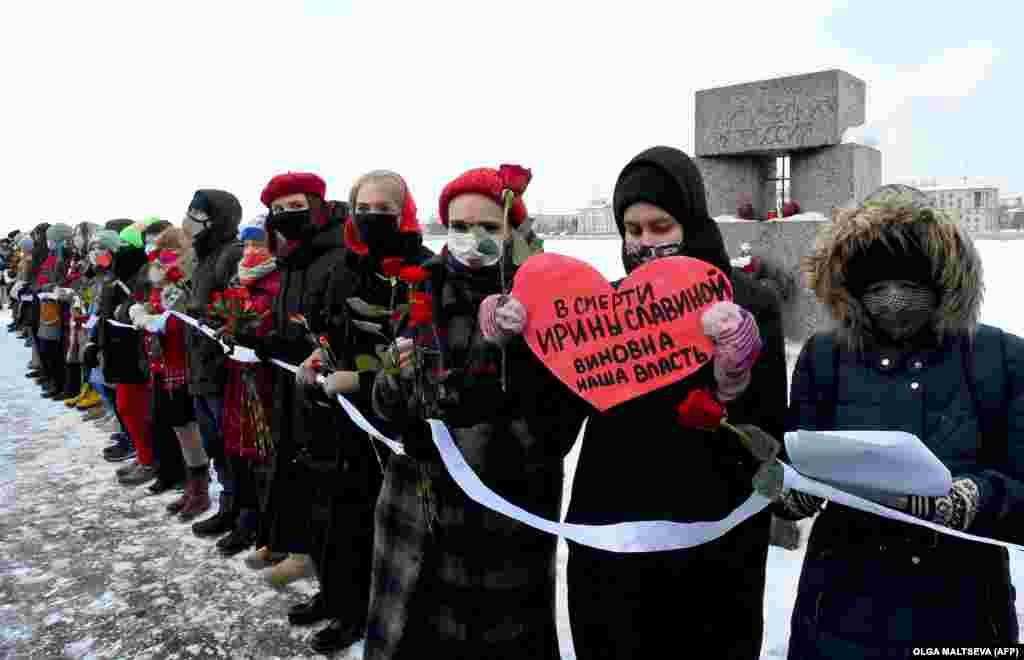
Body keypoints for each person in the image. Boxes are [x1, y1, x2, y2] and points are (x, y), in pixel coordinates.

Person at [769, 188, 1024, 655]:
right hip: (839, 617)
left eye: (909, 284)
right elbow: (793, 463)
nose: (894, 302)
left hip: (964, 617)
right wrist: (792, 492)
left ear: (944, 281)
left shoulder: (1000, 357)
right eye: (876, 286)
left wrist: (973, 497)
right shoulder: (824, 357)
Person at [561, 146, 788, 659]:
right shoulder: (607, 307)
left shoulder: (749, 303)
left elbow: (770, 436)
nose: (645, 243)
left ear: (690, 220)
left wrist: (734, 389)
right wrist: (523, 347)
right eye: (632, 230)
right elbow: (559, 423)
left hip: (712, 547)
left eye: (660, 226)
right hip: (613, 539)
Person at [365, 165, 585, 660]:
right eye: (460, 226)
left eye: (489, 227)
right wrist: (395, 379)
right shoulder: (423, 289)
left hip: (502, 514)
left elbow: (558, 429)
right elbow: (385, 407)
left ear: (514, 231)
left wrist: (513, 358)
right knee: (413, 638)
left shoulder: (545, 300)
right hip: (415, 509)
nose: (472, 239)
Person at [180, 189, 244, 538]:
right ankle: (228, 506)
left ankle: (243, 515)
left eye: (196, 213)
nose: (188, 219)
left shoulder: (230, 254)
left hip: (223, 372)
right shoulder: (204, 257)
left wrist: (207, 318)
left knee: (232, 446)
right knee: (215, 444)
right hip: (200, 366)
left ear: (217, 219)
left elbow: (238, 312)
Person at [216, 214, 281, 557]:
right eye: (249, 243)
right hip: (239, 375)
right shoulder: (238, 278)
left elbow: (276, 327)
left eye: (260, 243)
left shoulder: (278, 281)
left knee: (264, 454)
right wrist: (227, 331)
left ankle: (269, 528)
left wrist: (258, 339)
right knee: (239, 451)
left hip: (265, 380)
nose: (253, 250)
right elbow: (231, 316)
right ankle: (247, 516)